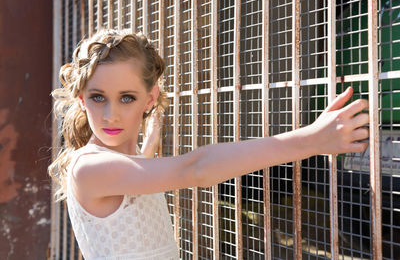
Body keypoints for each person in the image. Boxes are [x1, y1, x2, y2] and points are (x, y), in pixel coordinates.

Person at [48, 28, 369, 260]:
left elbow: (134, 178)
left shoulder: (125, 167)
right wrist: (312, 140)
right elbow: (195, 168)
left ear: (150, 99)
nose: (110, 115)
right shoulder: (88, 168)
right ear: (81, 98)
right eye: (98, 97)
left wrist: (149, 142)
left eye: (127, 98)